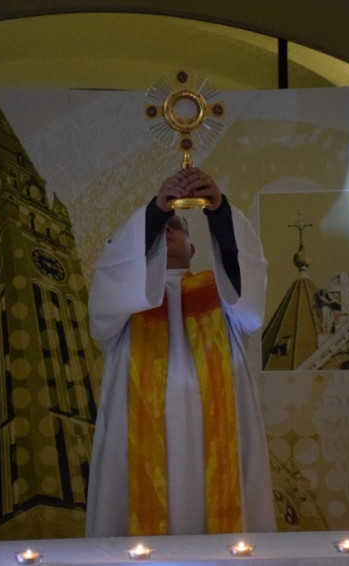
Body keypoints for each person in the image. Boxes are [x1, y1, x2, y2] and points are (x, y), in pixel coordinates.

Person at [85, 167, 276, 538]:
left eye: (176, 226)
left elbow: (250, 299)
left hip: (217, 446)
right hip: (137, 449)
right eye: (163, 227)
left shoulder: (224, 296)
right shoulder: (125, 302)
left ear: (192, 249)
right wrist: (156, 211)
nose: (168, 230)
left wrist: (219, 212)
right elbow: (112, 272)